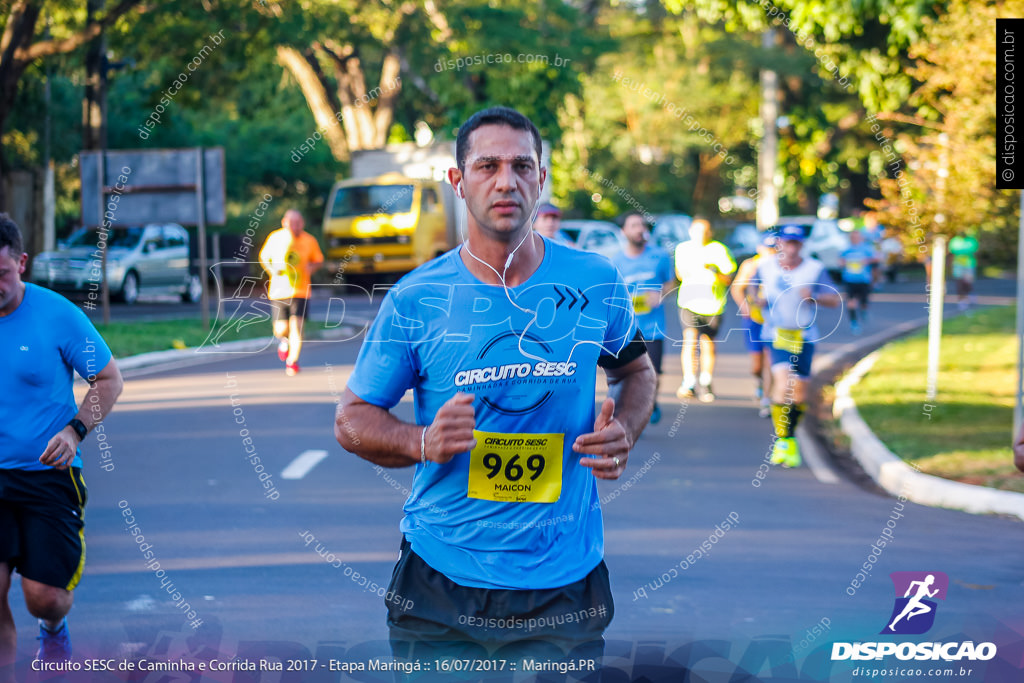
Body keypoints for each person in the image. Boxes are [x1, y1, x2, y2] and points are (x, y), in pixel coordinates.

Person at [334, 106, 656, 665]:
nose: (506, 180)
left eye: (521, 165)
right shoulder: (416, 299)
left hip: (563, 583)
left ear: (541, 179)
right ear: (458, 182)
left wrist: (624, 428)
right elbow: (351, 418)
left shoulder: (595, 280)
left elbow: (636, 372)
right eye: (486, 165)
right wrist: (421, 442)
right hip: (440, 579)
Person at [0, 214, 123, 671]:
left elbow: (109, 379)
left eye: (2, 274)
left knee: (45, 598)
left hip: (47, 478)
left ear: (23, 264)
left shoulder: (57, 314)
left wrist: (75, 430)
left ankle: (53, 631)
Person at [754, 224, 840, 467]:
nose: (790, 248)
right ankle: (784, 441)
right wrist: (756, 300)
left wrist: (814, 296)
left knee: (800, 390)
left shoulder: (815, 269)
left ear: (802, 245)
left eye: (795, 243)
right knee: (783, 381)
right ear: (779, 243)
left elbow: (834, 299)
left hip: (804, 334)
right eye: (786, 242)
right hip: (776, 333)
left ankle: (789, 436)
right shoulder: (766, 267)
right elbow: (751, 291)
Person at [610, 212, 675, 424]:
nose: (640, 229)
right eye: (634, 225)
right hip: (626, 329)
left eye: (642, 225)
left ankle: (650, 403)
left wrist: (661, 294)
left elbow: (671, 283)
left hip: (653, 328)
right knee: (630, 375)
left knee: (653, 373)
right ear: (624, 231)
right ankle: (636, 413)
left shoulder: (659, 256)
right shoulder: (615, 261)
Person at [673, 217, 736, 402]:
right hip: (689, 302)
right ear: (691, 231)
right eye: (696, 230)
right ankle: (689, 382)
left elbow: (728, 278)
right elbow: (679, 274)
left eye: (704, 231)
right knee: (690, 340)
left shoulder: (719, 249)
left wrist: (715, 270)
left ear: (710, 232)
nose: (700, 234)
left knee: (708, 342)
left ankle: (706, 380)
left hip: (713, 305)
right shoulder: (682, 249)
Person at [258, 209, 324, 375]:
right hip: (279, 291)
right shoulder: (275, 238)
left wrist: (312, 267)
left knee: (297, 327)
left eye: (298, 223)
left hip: (301, 290)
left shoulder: (309, 240)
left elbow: (318, 260)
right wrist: (272, 270)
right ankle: (284, 342)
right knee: (280, 329)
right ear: (284, 222)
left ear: (302, 223)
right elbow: (264, 257)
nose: (295, 226)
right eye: (292, 223)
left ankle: (292, 361)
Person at [730, 232, 776, 418]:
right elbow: (736, 288)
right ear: (759, 248)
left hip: (773, 321)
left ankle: (767, 398)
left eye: (774, 249)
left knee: (770, 359)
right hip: (754, 319)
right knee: (756, 365)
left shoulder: (780, 266)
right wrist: (745, 307)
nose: (770, 252)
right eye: (767, 248)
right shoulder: (750, 265)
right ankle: (759, 382)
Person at [839, 229, 878, 334]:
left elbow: (876, 259)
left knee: (863, 302)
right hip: (849, 279)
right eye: (853, 237)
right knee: (850, 303)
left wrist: (867, 261)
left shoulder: (866, 248)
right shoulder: (846, 249)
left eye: (857, 237)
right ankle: (854, 323)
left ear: (861, 238)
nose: (855, 239)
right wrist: (844, 263)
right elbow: (840, 261)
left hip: (863, 280)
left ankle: (864, 310)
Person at [948, 230, 979, 311]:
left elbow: (975, 251)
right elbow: (952, 252)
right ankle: (962, 300)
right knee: (959, 283)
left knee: (968, 282)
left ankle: (970, 294)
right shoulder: (955, 240)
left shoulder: (971, 240)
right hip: (958, 265)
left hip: (969, 264)